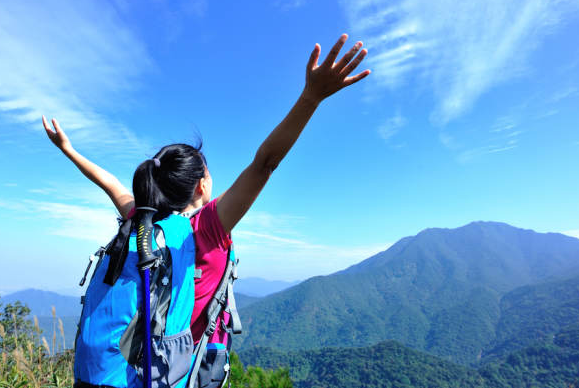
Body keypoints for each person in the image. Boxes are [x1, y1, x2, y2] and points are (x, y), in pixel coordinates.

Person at [43, 34, 369, 383]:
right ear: (202, 185)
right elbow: (265, 164)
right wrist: (311, 98)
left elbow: (110, 183)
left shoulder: (142, 222)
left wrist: (68, 149)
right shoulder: (207, 228)